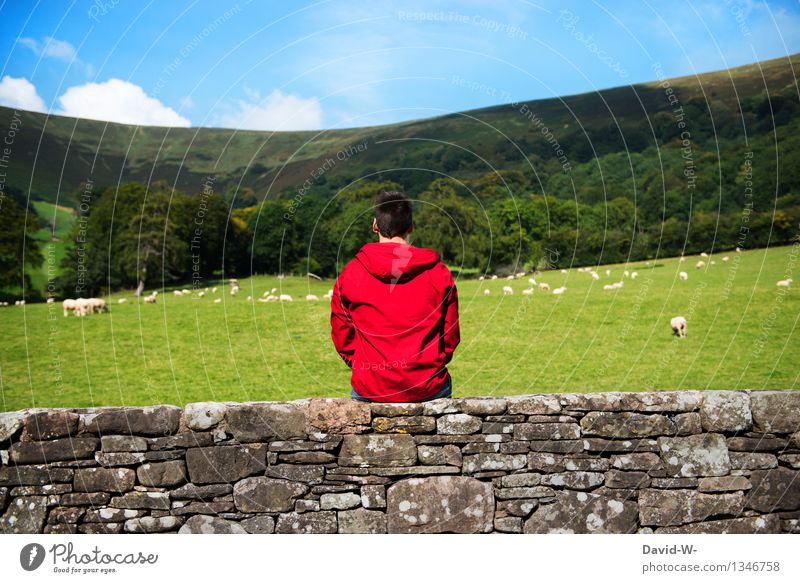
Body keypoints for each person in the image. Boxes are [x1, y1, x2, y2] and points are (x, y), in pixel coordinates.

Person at [330, 190, 460, 403]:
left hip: (370, 386)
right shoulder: (439, 273)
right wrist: (430, 363)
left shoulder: (351, 273)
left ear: (375, 225)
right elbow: (450, 332)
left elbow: (341, 332)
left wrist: (364, 366)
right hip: (428, 386)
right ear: (411, 227)